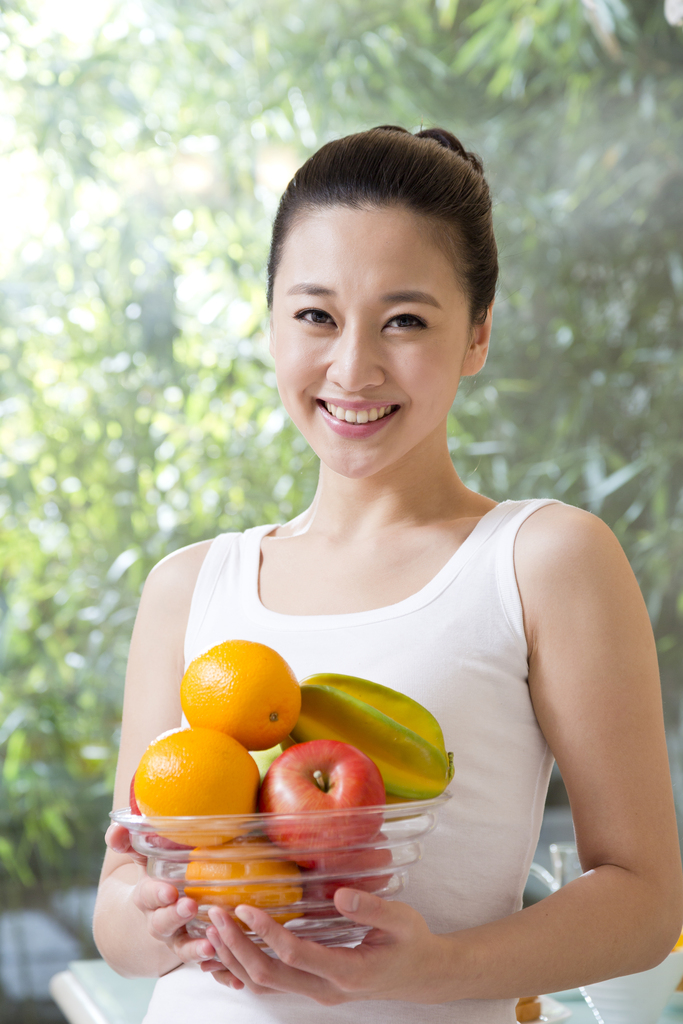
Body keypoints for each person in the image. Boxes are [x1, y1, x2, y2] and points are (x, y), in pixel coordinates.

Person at [94, 125, 682, 1024]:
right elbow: (118, 905)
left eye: (404, 319)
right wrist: (162, 919)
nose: (352, 366)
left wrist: (432, 967)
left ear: (478, 334)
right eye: (316, 315)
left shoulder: (541, 559)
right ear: (271, 325)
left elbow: (642, 902)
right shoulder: (188, 585)